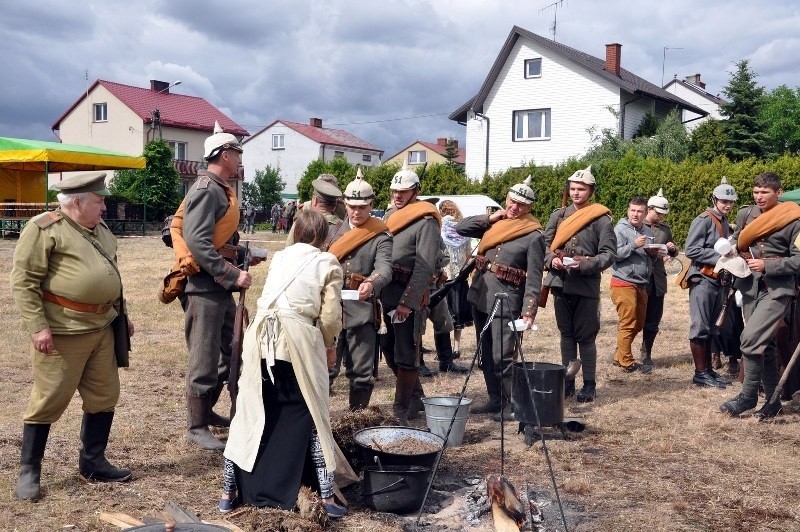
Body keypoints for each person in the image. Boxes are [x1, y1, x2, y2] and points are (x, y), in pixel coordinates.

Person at [11, 172, 133, 501]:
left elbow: (113, 276)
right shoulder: (44, 229)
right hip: (64, 331)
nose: (104, 207)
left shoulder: (101, 231)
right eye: (99, 201)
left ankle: (93, 462)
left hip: (102, 328)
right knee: (49, 399)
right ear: (77, 202)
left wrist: (124, 318)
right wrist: (38, 326)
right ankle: (30, 472)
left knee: (105, 395)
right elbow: (24, 282)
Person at [223, 209, 344, 515]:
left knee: (248, 413)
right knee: (315, 414)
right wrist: (329, 345)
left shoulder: (280, 257)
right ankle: (328, 499)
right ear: (323, 236)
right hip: (295, 339)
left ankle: (227, 494)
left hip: (260, 338)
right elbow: (330, 316)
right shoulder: (327, 261)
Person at [178, 122, 258, 451]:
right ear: (225, 155)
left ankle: (207, 411)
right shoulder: (205, 189)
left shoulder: (220, 187)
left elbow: (216, 237)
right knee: (204, 357)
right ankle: (196, 426)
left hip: (218, 287)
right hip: (204, 287)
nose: (239, 160)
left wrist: (239, 255)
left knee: (228, 353)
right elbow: (197, 242)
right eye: (237, 154)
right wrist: (231, 275)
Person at [456, 176, 546, 420]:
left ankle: (513, 403)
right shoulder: (495, 223)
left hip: (507, 300)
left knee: (503, 356)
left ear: (529, 208)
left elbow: (535, 277)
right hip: (482, 296)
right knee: (485, 353)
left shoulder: (533, 235)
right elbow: (460, 228)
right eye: (511, 201)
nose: (514, 207)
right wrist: (489, 218)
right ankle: (495, 399)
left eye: (520, 204)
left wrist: (528, 311)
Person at [721, 172, 800, 420]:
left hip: (777, 290)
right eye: (756, 192)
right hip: (750, 287)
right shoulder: (746, 214)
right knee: (764, 346)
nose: (759, 197)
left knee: (750, 339)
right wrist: (731, 249)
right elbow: (738, 240)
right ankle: (773, 402)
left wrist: (769, 266)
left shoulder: (794, 219)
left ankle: (748, 396)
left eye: (764, 192)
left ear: (778, 192)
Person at [542, 166, 616, 402]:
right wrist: (552, 259)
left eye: (581, 189)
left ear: (590, 191)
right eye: (573, 188)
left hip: (585, 286)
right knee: (566, 335)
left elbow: (608, 255)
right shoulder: (558, 216)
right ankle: (567, 381)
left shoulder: (601, 220)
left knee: (585, 337)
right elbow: (544, 246)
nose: (576, 193)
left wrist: (583, 265)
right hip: (561, 283)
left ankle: (589, 384)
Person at [380, 160, 442, 425]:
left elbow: (424, 265)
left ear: (415, 191)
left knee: (407, 351)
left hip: (408, 292)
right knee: (389, 349)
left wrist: (409, 301)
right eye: (395, 191)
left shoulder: (424, 221)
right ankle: (416, 396)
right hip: (386, 290)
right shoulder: (388, 215)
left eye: (403, 191)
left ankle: (401, 408)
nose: (398, 195)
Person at [327, 171, 392, 410]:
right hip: (329, 310)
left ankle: (356, 420)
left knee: (361, 373)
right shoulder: (331, 231)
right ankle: (317, 425)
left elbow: (385, 268)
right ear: (344, 204)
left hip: (361, 311)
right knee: (325, 370)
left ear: (371, 205)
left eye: (363, 207)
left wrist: (372, 282)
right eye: (352, 206)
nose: (357, 211)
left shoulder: (380, 235)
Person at [684, 177, 737, 388]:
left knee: (711, 328)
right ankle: (700, 373)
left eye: (731, 201)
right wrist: (722, 254)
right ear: (714, 199)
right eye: (724, 201)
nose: (727, 205)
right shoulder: (704, 219)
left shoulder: (724, 221)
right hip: (703, 278)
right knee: (700, 327)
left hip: (718, 280)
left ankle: (708, 371)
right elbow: (691, 250)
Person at [611, 197, 658, 374]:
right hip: (623, 282)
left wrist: (653, 253)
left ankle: (619, 356)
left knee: (638, 323)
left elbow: (649, 257)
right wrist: (633, 245)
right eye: (633, 210)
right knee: (628, 322)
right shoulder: (619, 230)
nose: (635, 214)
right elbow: (613, 254)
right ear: (627, 211)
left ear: (646, 213)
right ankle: (626, 361)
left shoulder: (647, 230)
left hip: (641, 282)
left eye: (639, 211)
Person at [640, 189, 679, 368]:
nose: (661, 217)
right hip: (640, 277)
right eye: (658, 213)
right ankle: (623, 351)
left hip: (657, 279)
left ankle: (646, 353)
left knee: (653, 319)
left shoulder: (665, 229)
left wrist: (671, 249)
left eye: (664, 214)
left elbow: (673, 250)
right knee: (634, 318)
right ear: (649, 208)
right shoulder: (636, 225)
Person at [440, 200, 474, 360]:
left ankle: (444, 350)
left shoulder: (440, 228)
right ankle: (456, 347)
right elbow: (469, 255)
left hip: (444, 278)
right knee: (458, 314)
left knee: (443, 315)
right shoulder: (463, 229)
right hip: (460, 278)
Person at [286, 177, 344, 247]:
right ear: (335, 204)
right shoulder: (344, 225)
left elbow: (289, 247)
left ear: (315, 201)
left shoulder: (303, 220)